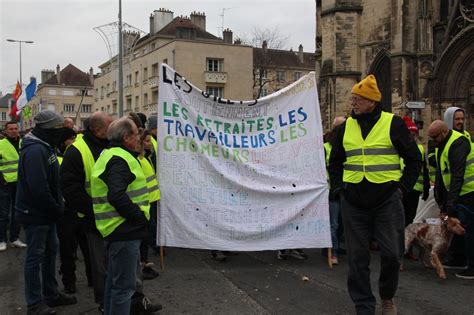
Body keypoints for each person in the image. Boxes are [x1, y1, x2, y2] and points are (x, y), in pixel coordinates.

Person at [328, 75, 422, 315]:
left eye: (358, 99)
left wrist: (402, 188)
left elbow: (413, 159)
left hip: (386, 202)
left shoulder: (394, 124)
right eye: (353, 99)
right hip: (354, 203)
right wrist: (339, 189)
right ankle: (364, 306)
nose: (353, 103)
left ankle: (387, 297)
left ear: (371, 102)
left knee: (392, 254)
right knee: (357, 260)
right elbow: (335, 162)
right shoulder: (345, 127)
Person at [15, 109, 77, 314]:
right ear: (48, 129)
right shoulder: (35, 150)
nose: (62, 132)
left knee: (51, 252)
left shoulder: (46, 146)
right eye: (59, 128)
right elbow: (38, 187)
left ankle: (51, 293)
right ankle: (34, 303)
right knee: (35, 257)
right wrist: (55, 208)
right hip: (36, 214)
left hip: (48, 213)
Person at [90, 117, 153, 314]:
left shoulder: (109, 154)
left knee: (114, 284)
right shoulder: (120, 159)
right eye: (136, 134)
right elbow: (116, 194)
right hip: (123, 229)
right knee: (124, 288)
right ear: (126, 137)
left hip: (115, 228)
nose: (138, 138)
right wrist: (138, 217)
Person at [428, 120, 474, 279]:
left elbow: (457, 176)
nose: (433, 141)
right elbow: (442, 173)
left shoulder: (458, 143)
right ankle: (458, 259)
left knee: (468, 230)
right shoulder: (443, 145)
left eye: (435, 137)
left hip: (469, 192)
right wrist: (441, 197)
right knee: (457, 227)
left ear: (444, 133)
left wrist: (450, 204)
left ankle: (472, 266)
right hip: (461, 193)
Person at [0, 121, 27, 251]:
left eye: (16, 128)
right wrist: (1, 180)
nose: (14, 130)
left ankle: (14, 238)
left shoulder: (24, 143)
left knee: (17, 213)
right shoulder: (1, 144)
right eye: (10, 129)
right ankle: (2, 240)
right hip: (5, 184)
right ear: (5, 131)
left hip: (20, 184)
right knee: (4, 214)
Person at [324, 116, 346, 265]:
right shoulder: (326, 147)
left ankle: (334, 246)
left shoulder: (349, 144)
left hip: (347, 188)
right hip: (331, 189)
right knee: (334, 223)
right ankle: (333, 252)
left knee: (342, 223)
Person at [400, 116, 430, 227]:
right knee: (400, 218)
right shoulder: (398, 147)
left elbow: (424, 168)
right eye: (410, 134)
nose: (412, 137)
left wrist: (425, 187)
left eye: (414, 134)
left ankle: (406, 240)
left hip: (415, 189)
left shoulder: (420, 148)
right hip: (401, 187)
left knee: (410, 217)